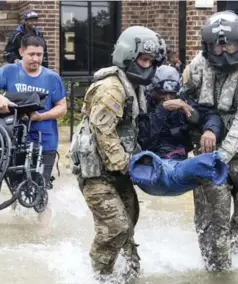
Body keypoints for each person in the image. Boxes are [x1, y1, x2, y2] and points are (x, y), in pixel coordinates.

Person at [181, 11, 238, 272]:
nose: (223, 50)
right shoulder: (197, 67)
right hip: (207, 156)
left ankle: (235, 257)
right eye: (217, 45)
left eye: (228, 43)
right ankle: (217, 269)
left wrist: (222, 156)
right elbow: (183, 103)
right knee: (211, 225)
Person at [74, 26, 164, 279]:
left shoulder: (134, 87)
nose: (147, 66)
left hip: (119, 171)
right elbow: (103, 132)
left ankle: (130, 274)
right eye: (143, 60)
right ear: (128, 55)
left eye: (151, 62)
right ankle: (99, 276)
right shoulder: (112, 88)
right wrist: (125, 163)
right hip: (97, 174)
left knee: (129, 225)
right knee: (115, 227)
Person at [0, 33, 67, 191]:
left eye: (39, 54)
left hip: (46, 140)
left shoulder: (52, 78)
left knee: (41, 188)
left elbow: (62, 107)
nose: (35, 59)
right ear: (21, 52)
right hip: (15, 138)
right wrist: (0, 99)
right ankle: (18, 215)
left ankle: (43, 214)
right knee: (17, 187)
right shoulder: (9, 71)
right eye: (31, 54)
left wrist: (40, 117)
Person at [139, 65, 223, 160]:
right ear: (153, 90)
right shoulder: (143, 107)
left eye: (172, 93)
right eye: (162, 93)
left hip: (179, 160)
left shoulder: (183, 104)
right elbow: (145, 142)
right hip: (150, 161)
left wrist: (210, 131)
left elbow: (210, 115)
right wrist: (162, 109)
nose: (167, 98)